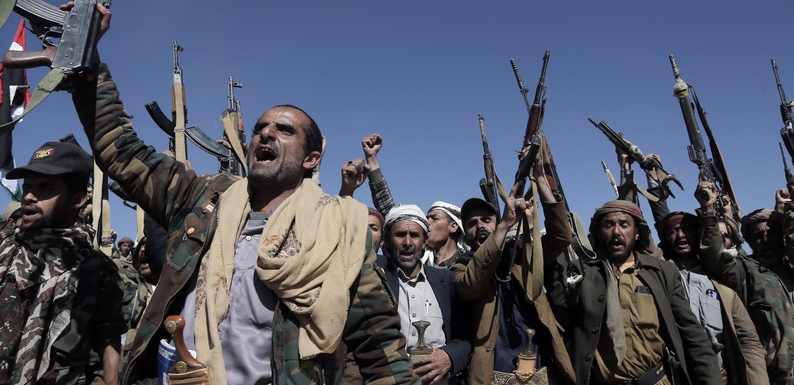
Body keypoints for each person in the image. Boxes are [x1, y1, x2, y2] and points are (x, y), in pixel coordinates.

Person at [70, 61, 418, 383]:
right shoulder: (203, 198)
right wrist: (88, 70)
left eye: (283, 130)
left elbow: (382, 351)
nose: (265, 134)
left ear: (312, 158)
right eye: (259, 128)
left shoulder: (339, 229)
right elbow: (124, 153)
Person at [548, 199, 723, 385]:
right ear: (599, 232)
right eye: (608, 224)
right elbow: (559, 305)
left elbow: (693, 337)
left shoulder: (663, 273)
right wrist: (551, 204)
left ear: (637, 233)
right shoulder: (582, 273)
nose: (616, 232)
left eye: (624, 225)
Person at [0, 141, 125, 384]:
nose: (29, 197)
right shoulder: (6, 245)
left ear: (78, 200)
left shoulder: (96, 268)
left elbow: (107, 338)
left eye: (44, 189)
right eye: (28, 187)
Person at [453, 154, 576, 384]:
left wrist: (539, 180)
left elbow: (561, 236)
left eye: (486, 220)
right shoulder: (461, 266)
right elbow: (470, 285)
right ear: (466, 234)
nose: (480, 226)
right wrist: (502, 226)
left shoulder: (521, 255)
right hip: (494, 375)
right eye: (472, 223)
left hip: (543, 372)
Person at [656, 183, 768, 384]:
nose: (681, 235)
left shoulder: (721, 282)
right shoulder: (660, 276)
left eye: (687, 229)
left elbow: (748, 342)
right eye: (673, 231)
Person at [700, 180, 794, 384]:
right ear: (749, 241)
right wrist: (708, 210)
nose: (766, 240)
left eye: (772, 233)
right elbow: (714, 257)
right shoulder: (745, 271)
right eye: (758, 235)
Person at [377, 204, 471, 383]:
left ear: (425, 240)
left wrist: (448, 357)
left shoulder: (446, 281)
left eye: (414, 235)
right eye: (399, 235)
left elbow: (465, 336)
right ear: (386, 240)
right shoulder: (376, 277)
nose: (407, 242)